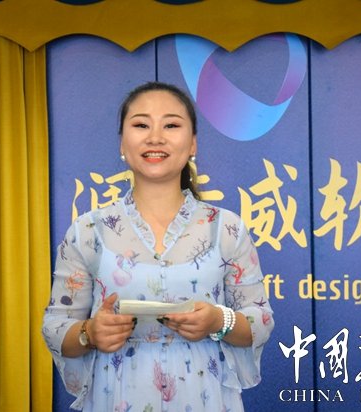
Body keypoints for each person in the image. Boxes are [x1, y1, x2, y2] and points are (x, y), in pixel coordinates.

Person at [42, 81, 274, 411]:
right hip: (115, 396)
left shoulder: (227, 228)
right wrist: (89, 333)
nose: (155, 137)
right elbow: (55, 327)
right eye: (141, 125)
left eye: (171, 125)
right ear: (122, 143)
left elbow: (260, 321)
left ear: (192, 143)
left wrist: (217, 321)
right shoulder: (88, 231)